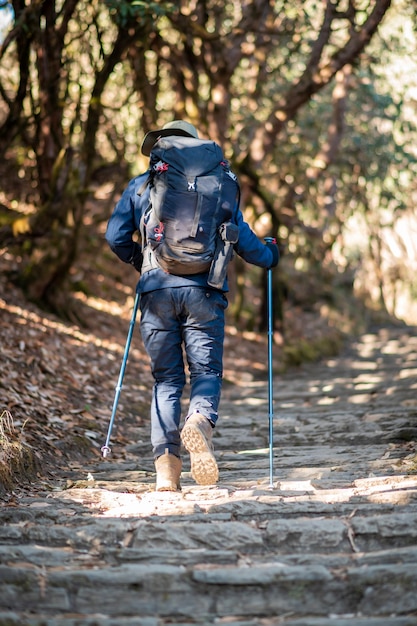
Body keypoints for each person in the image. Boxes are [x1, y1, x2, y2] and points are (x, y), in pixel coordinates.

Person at [105, 120, 279, 492]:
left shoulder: (143, 184)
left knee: (166, 380)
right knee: (206, 373)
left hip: (156, 294)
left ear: (162, 146)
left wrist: (144, 263)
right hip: (206, 292)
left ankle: (167, 472)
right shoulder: (222, 183)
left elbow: (115, 236)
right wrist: (270, 255)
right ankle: (199, 421)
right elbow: (242, 238)